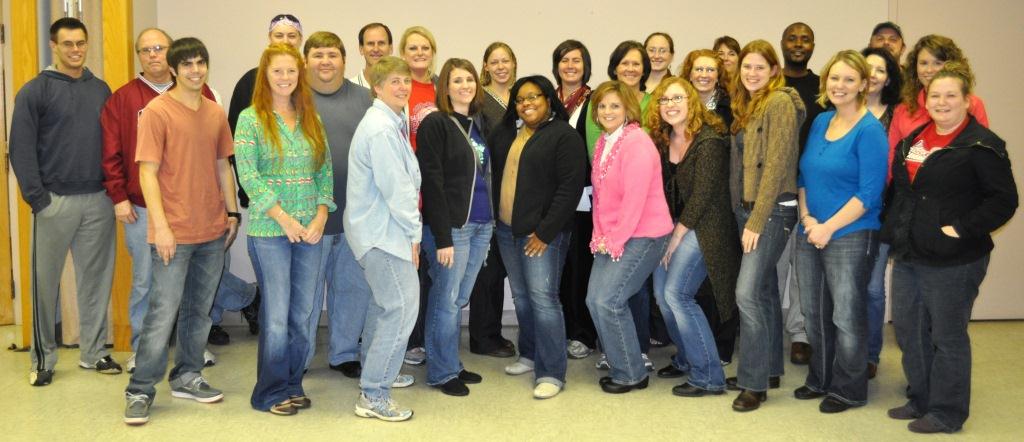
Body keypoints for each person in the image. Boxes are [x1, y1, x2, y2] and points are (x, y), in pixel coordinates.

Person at [883, 61, 1017, 434]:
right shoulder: (917, 139)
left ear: (967, 101)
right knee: (910, 329)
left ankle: (947, 412)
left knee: (947, 334)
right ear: (926, 100)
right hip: (911, 253)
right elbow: (904, 192)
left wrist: (960, 228)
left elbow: (1003, 201)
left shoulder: (981, 145)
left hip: (954, 259)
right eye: (935, 95)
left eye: (951, 96)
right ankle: (922, 397)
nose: (941, 102)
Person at [123, 37, 238, 425]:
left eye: (200, 62)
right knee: (162, 312)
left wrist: (232, 213)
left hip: (211, 228)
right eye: (186, 64)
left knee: (198, 312)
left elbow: (224, 164)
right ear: (173, 69)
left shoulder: (214, 111)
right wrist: (161, 226)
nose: (195, 70)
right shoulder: (157, 112)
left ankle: (188, 375)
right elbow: (147, 173)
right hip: (173, 230)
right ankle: (140, 388)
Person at [101, 28, 228, 373]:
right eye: (147, 50)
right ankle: (144, 358)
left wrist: (229, 211)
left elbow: (220, 162)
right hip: (146, 209)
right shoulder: (130, 100)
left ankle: (189, 361)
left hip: (202, 217)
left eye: (160, 48)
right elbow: (119, 155)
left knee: (194, 295)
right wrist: (120, 198)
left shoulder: (211, 103)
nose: (154, 54)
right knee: (150, 288)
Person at [10, 17, 120, 386]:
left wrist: (112, 190)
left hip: (98, 200)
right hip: (53, 202)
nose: (76, 50)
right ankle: (43, 359)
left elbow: (112, 145)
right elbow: (20, 151)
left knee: (97, 281)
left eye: (81, 43)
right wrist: (38, 199)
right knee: (45, 283)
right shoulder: (34, 91)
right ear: (53, 47)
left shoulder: (101, 89)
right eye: (68, 44)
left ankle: (94, 353)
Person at [235, 43, 335, 416]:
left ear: (300, 75)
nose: (285, 78)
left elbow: (325, 169)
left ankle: (292, 384)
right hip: (271, 231)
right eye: (278, 71)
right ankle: (269, 392)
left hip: (310, 229)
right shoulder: (250, 118)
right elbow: (248, 175)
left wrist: (322, 213)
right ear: (266, 75)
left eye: (291, 71)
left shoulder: (311, 117)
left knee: (302, 314)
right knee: (276, 315)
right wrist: (283, 217)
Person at [794, 50, 887, 414]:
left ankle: (849, 388)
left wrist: (828, 227)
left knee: (846, 315)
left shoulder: (870, 131)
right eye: (835, 78)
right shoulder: (821, 122)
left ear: (864, 84)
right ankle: (820, 378)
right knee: (814, 311)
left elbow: (868, 193)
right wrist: (807, 220)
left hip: (851, 232)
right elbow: (803, 177)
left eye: (849, 79)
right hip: (811, 229)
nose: (840, 85)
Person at [492, 75, 586, 399]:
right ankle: (530, 355)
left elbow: (569, 189)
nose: (526, 103)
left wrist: (545, 233)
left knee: (544, 301)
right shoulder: (511, 134)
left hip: (541, 235)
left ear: (548, 99)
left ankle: (552, 372)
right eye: (520, 99)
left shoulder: (564, 136)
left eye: (534, 97)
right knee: (521, 297)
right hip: (507, 230)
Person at [726, 40, 806, 412]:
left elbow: (776, 164)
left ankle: (754, 383)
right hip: (749, 210)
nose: (752, 73)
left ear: (774, 70)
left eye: (760, 67)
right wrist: (738, 212)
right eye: (746, 67)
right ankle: (770, 367)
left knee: (747, 293)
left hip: (773, 210)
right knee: (766, 291)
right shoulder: (747, 104)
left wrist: (756, 218)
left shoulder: (779, 102)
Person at [647, 77, 738, 396]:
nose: (670, 105)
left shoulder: (709, 141)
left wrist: (674, 238)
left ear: (692, 102)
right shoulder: (662, 139)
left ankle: (708, 375)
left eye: (677, 98)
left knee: (677, 294)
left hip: (706, 228)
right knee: (661, 294)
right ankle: (687, 356)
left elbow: (702, 197)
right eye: (664, 100)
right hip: (669, 226)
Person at [345, 56, 422, 422]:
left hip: (379, 231)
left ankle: (375, 374)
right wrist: (415, 235)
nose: (402, 87)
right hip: (385, 234)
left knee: (383, 306)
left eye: (405, 81)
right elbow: (398, 190)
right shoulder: (380, 128)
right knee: (402, 309)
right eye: (393, 81)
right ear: (376, 86)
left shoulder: (390, 121)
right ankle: (374, 392)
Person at [585, 80, 672, 394]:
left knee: (609, 301)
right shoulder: (604, 143)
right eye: (603, 106)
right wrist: (599, 236)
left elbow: (635, 200)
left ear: (628, 109)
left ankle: (631, 373)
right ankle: (624, 365)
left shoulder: (637, 142)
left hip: (644, 234)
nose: (608, 111)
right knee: (594, 300)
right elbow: (603, 197)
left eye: (615, 106)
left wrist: (616, 240)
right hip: (614, 235)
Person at [417, 58, 493, 396]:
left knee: (458, 298)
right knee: (446, 300)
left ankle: (450, 362)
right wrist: (443, 235)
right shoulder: (437, 123)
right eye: (457, 80)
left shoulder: (479, 123)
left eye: (470, 80)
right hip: (453, 229)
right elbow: (431, 182)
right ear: (445, 87)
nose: (465, 85)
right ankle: (441, 372)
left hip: (481, 225)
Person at [301, 31, 373, 377]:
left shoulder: (365, 98)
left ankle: (344, 353)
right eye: (318, 55)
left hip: (354, 214)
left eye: (332, 54)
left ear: (345, 60)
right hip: (308, 217)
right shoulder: (294, 98)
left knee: (352, 288)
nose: (325, 61)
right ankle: (299, 357)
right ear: (306, 61)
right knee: (307, 294)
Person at [467, 42, 518, 359]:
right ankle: (483, 336)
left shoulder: (521, 97)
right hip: (488, 192)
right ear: (484, 66)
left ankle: (494, 332)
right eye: (494, 62)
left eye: (506, 61)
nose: (501, 66)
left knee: (504, 268)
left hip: (516, 195)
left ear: (514, 63)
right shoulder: (479, 102)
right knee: (488, 270)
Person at [779, 21, 823, 366]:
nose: (798, 44)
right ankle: (766, 327)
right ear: (782, 44)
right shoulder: (770, 83)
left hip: (810, 189)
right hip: (776, 189)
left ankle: (801, 333)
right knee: (774, 266)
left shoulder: (822, 88)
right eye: (792, 38)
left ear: (812, 45)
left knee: (804, 265)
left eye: (804, 39)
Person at [552, 39, 599, 360]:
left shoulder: (595, 101)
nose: (570, 65)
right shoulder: (548, 100)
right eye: (565, 60)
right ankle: (561, 329)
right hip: (552, 198)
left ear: (586, 67)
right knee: (558, 266)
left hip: (583, 197)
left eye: (576, 61)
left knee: (581, 265)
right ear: (556, 65)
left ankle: (583, 332)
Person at [860, 46, 903, 379]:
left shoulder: (898, 114)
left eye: (880, 70)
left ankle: (871, 353)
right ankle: (846, 349)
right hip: (847, 213)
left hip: (884, 211)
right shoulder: (844, 109)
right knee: (846, 286)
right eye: (867, 68)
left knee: (873, 287)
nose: (873, 75)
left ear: (889, 78)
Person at [399, 26, 439, 366]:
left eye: (425, 47)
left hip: (435, 187)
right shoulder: (398, 88)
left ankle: (427, 337)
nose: (419, 52)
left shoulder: (441, 87)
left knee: (429, 267)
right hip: (405, 189)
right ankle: (408, 340)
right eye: (413, 47)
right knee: (408, 267)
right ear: (403, 52)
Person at [889, 35, 989, 157]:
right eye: (923, 63)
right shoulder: (903, 109)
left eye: (937, 63)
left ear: (951, 65)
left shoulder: (972, 104)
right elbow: (892, 158)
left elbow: (983, 153)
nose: (929, 70)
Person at [681, 49, 734, 130]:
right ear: (690, 75)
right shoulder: (679, 104)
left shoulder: (731, 108)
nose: (704, 75)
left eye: (710, 70)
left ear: (718, 76)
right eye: (699, 69)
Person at [351, 23, 393, 88]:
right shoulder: (350, 88)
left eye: (381, 43)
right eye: (370, 44)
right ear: (361, 49)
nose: (376, 49)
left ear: (390, 48)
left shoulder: (401, 88)